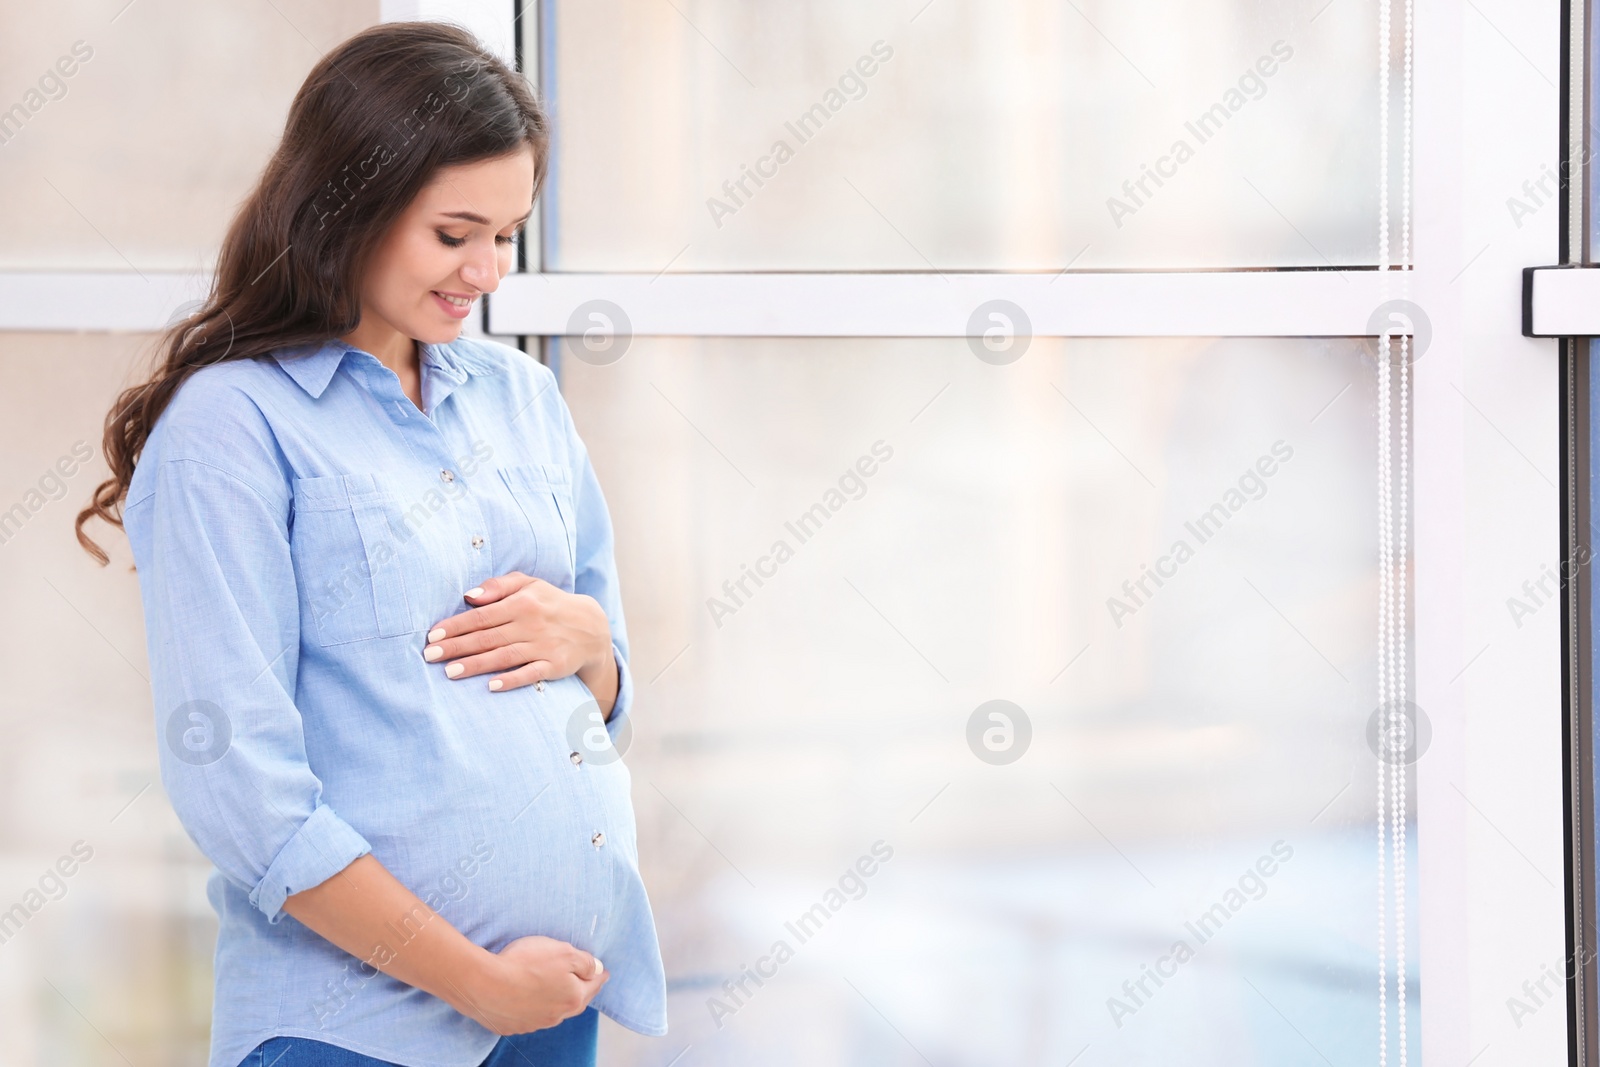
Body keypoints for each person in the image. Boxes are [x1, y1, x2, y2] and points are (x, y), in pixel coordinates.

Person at [73, 22, 666, 1067]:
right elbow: (241, 789)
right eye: (454, 233)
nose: (487, 269)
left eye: (510, 234)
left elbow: (603, 700)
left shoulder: (522, 397)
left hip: (555, 1003)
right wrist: (480, 981)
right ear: (349, 205)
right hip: (356, 1030)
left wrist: (591, 645)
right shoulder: (232, 427)